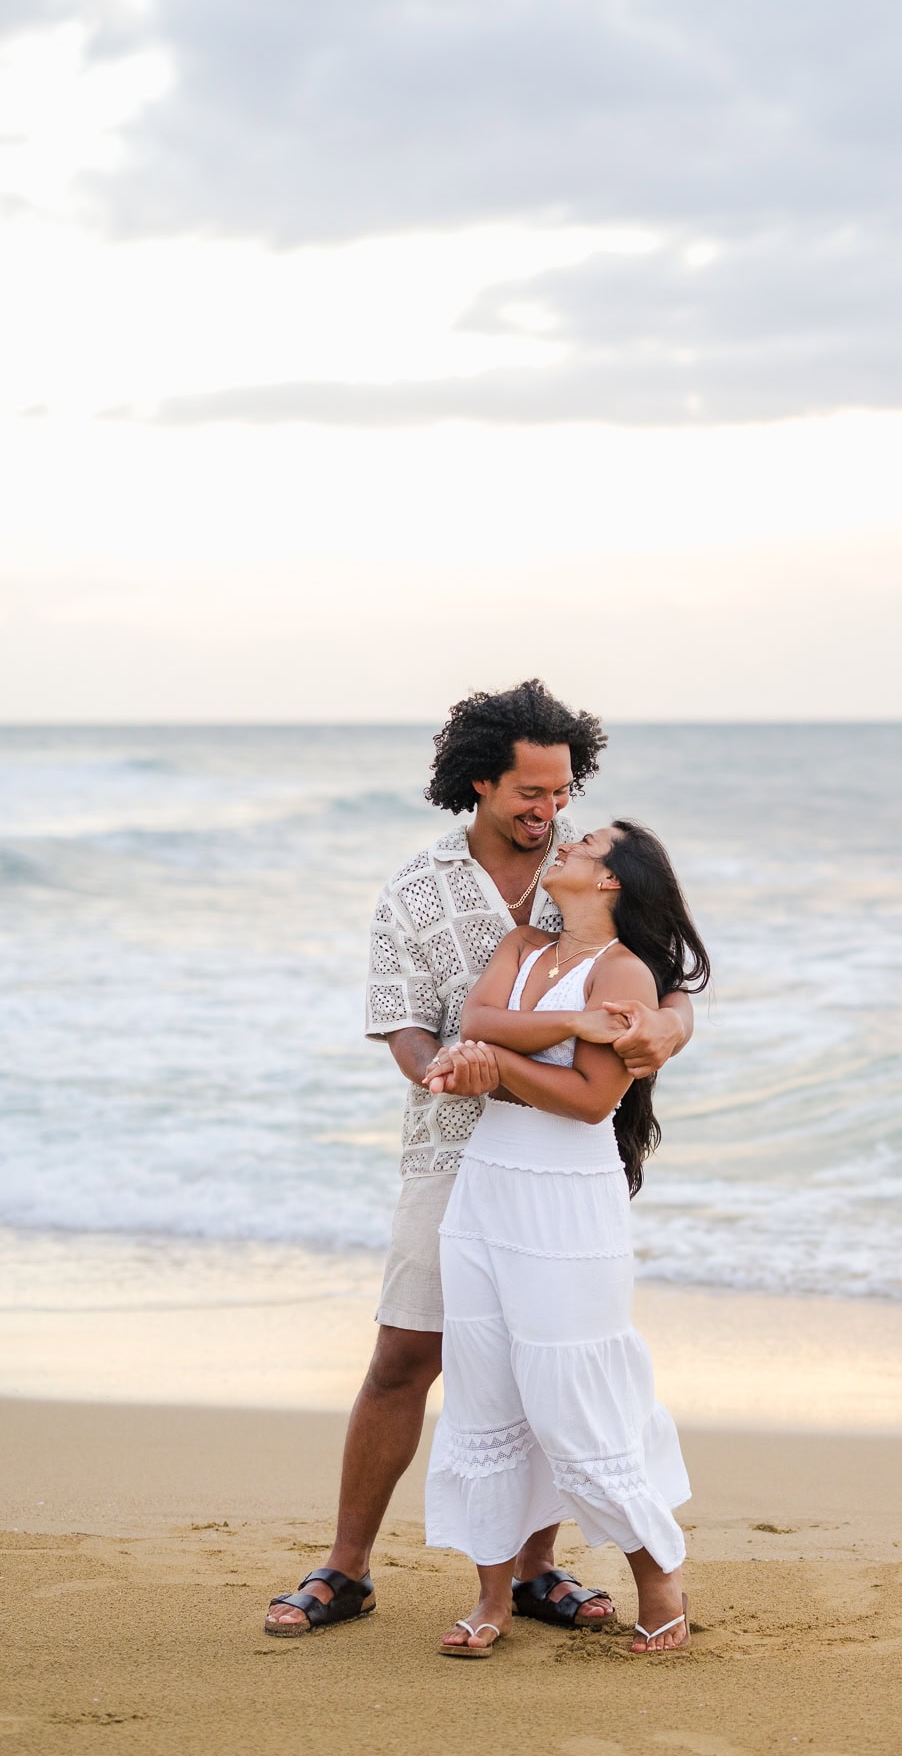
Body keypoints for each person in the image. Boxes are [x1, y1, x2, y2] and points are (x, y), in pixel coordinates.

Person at [265, 682, 694, 1639]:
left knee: (538, 1361)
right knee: (407, 1353)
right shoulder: (417, 893)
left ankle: (535, 1571)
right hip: (449, 1150)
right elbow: (407, 1031)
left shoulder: (584, 873)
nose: (550, 812)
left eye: (562, 790)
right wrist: (454, 1073)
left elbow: (661, 971)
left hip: (561, 1157)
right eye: (530, 793)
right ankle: (346, 1567)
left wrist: (667, 1027)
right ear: (480, 783)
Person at [420, 817, 709, 1657]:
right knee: (484, 1389)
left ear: (613, 879)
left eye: (586, 845)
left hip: (567, 1205)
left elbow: (590, 1101)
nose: (568, 843)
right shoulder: (521, 943)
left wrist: (503, 1062)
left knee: (573, 1396)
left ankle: (660, 1580)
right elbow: (471, 1016)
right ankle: (492, 1596)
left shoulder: (626, 972)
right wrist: (571, 1026)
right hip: (485, 1189)